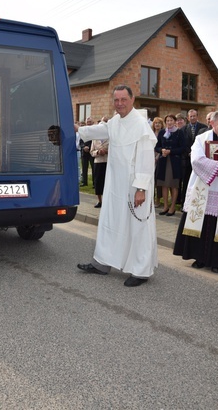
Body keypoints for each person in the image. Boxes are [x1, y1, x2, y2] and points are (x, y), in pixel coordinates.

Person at [76, 85, 158, 287]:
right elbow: (102, 129)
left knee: (137, 227)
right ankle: (102, 263)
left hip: (134, 187)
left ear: (132, 100)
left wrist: (141, 188)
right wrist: (79, 129)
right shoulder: (115, 121)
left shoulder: (140, 125)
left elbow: (146, 160)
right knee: (110, 222)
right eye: (116, 100)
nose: (119, 103)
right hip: (115, 186)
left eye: (123, 99)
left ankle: (141, 270)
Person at [173, 110, 218, 274]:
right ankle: (200, 257)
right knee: (202, 222)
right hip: (203, 189)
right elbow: (196, 160)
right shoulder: (201, 139)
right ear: (212, 123)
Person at [155, 114, 186, 216]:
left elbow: (182, 148)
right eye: (167, 120)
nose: (169, 122)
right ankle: (165, 207)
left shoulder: (179, 132)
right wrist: (162, 150)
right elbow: (157, 146)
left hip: (174, 162)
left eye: (171, 120)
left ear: (175, 121)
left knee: (174, 185)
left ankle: (172, 207)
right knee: (164, 184)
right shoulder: (162, 132)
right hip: (163, 161)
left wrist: (170, 151)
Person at [180, 109, 207, 206]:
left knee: (198, 181)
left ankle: (198, 203)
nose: (192, 118)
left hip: (199, 160)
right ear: (187, 117)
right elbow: (182, 143)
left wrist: (195, 153)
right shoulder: (183, 129)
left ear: (197, 116)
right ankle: (185, 203)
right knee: (186, 182)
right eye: (190, 116)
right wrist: (189, 152)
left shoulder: (204, 128)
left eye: (194, 116)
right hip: (187, 161)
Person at [90, 116, 109, 208]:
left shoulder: (110, 137)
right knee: (98, 182)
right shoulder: (95, 138)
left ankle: (107, 201)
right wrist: (97, 152)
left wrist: (106, 151)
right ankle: (99, 201)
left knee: (107, 182)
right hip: (98, 162)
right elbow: (91, 151)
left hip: (107, 162)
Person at [152, 117, 164, 207]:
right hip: (150, 158)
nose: (157, 125)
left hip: (159, 158)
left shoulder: (164, 134)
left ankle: (158, 200)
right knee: (151, 180)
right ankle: (151, 198)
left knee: (158, 181)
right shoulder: (151, 133)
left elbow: (163, 146)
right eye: (156, 123)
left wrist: (157, 156)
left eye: (159, 123)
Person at [80, 117, 95, 186]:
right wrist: (83, 147)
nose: (88, 124)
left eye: (90, 122)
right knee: (84, 168)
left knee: (94, 168)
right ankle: (84, 182)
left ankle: (94, 183)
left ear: (93, 123)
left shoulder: (95, 131)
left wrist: (88, 147)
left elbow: (94, 141)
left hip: (92, 151)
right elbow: (81, 141)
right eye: (87, 122)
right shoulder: (83, 131)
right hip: (84, 152)